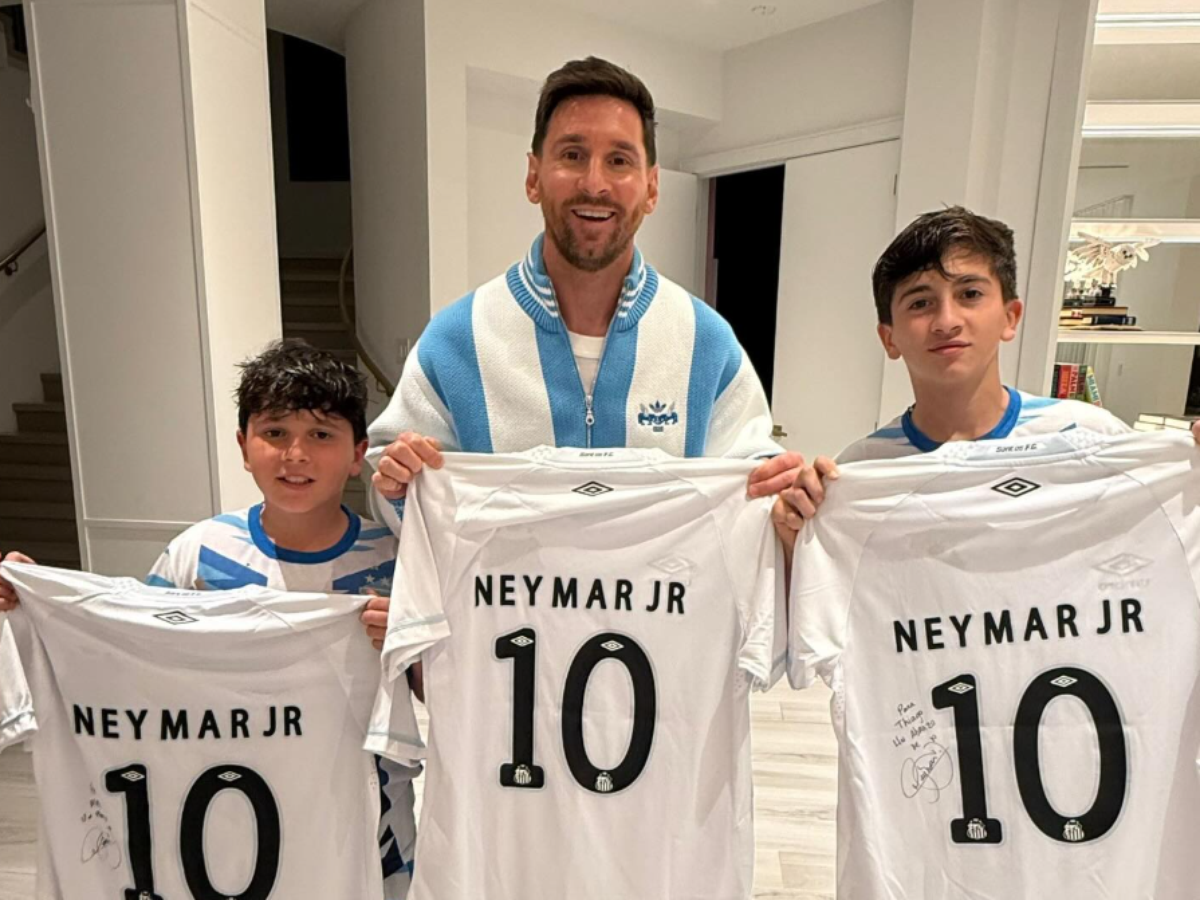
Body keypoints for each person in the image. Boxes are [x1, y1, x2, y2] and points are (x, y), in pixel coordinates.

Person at [361, 57, 804, 643]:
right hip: (504, 662)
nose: (595, 183)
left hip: (664, 664)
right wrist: (397, 485)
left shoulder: (707, 344)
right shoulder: (456, 339)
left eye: (619, 160)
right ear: (533, 176)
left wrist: (784, 502)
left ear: (651, 186)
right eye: (572, 154)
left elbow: (753, 498)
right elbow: (392, 495)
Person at [0, 339, 418, 899]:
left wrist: (406, 643)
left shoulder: (396, 559)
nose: (296, 454)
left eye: (321, 435)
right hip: (231, 829)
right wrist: (41, 604)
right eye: (275, 433)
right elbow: (129, 656)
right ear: (244, 446)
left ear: (357, 452)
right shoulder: (198, 555)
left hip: (372, 832)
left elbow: (446, 691)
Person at [781, 206, 1200, 521]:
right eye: (921, 302)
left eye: (970, 294)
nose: (947, 321)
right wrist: (792, 534)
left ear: (1010, 317)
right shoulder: (858, 473)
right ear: (889, 338)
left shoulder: (1091, 435)